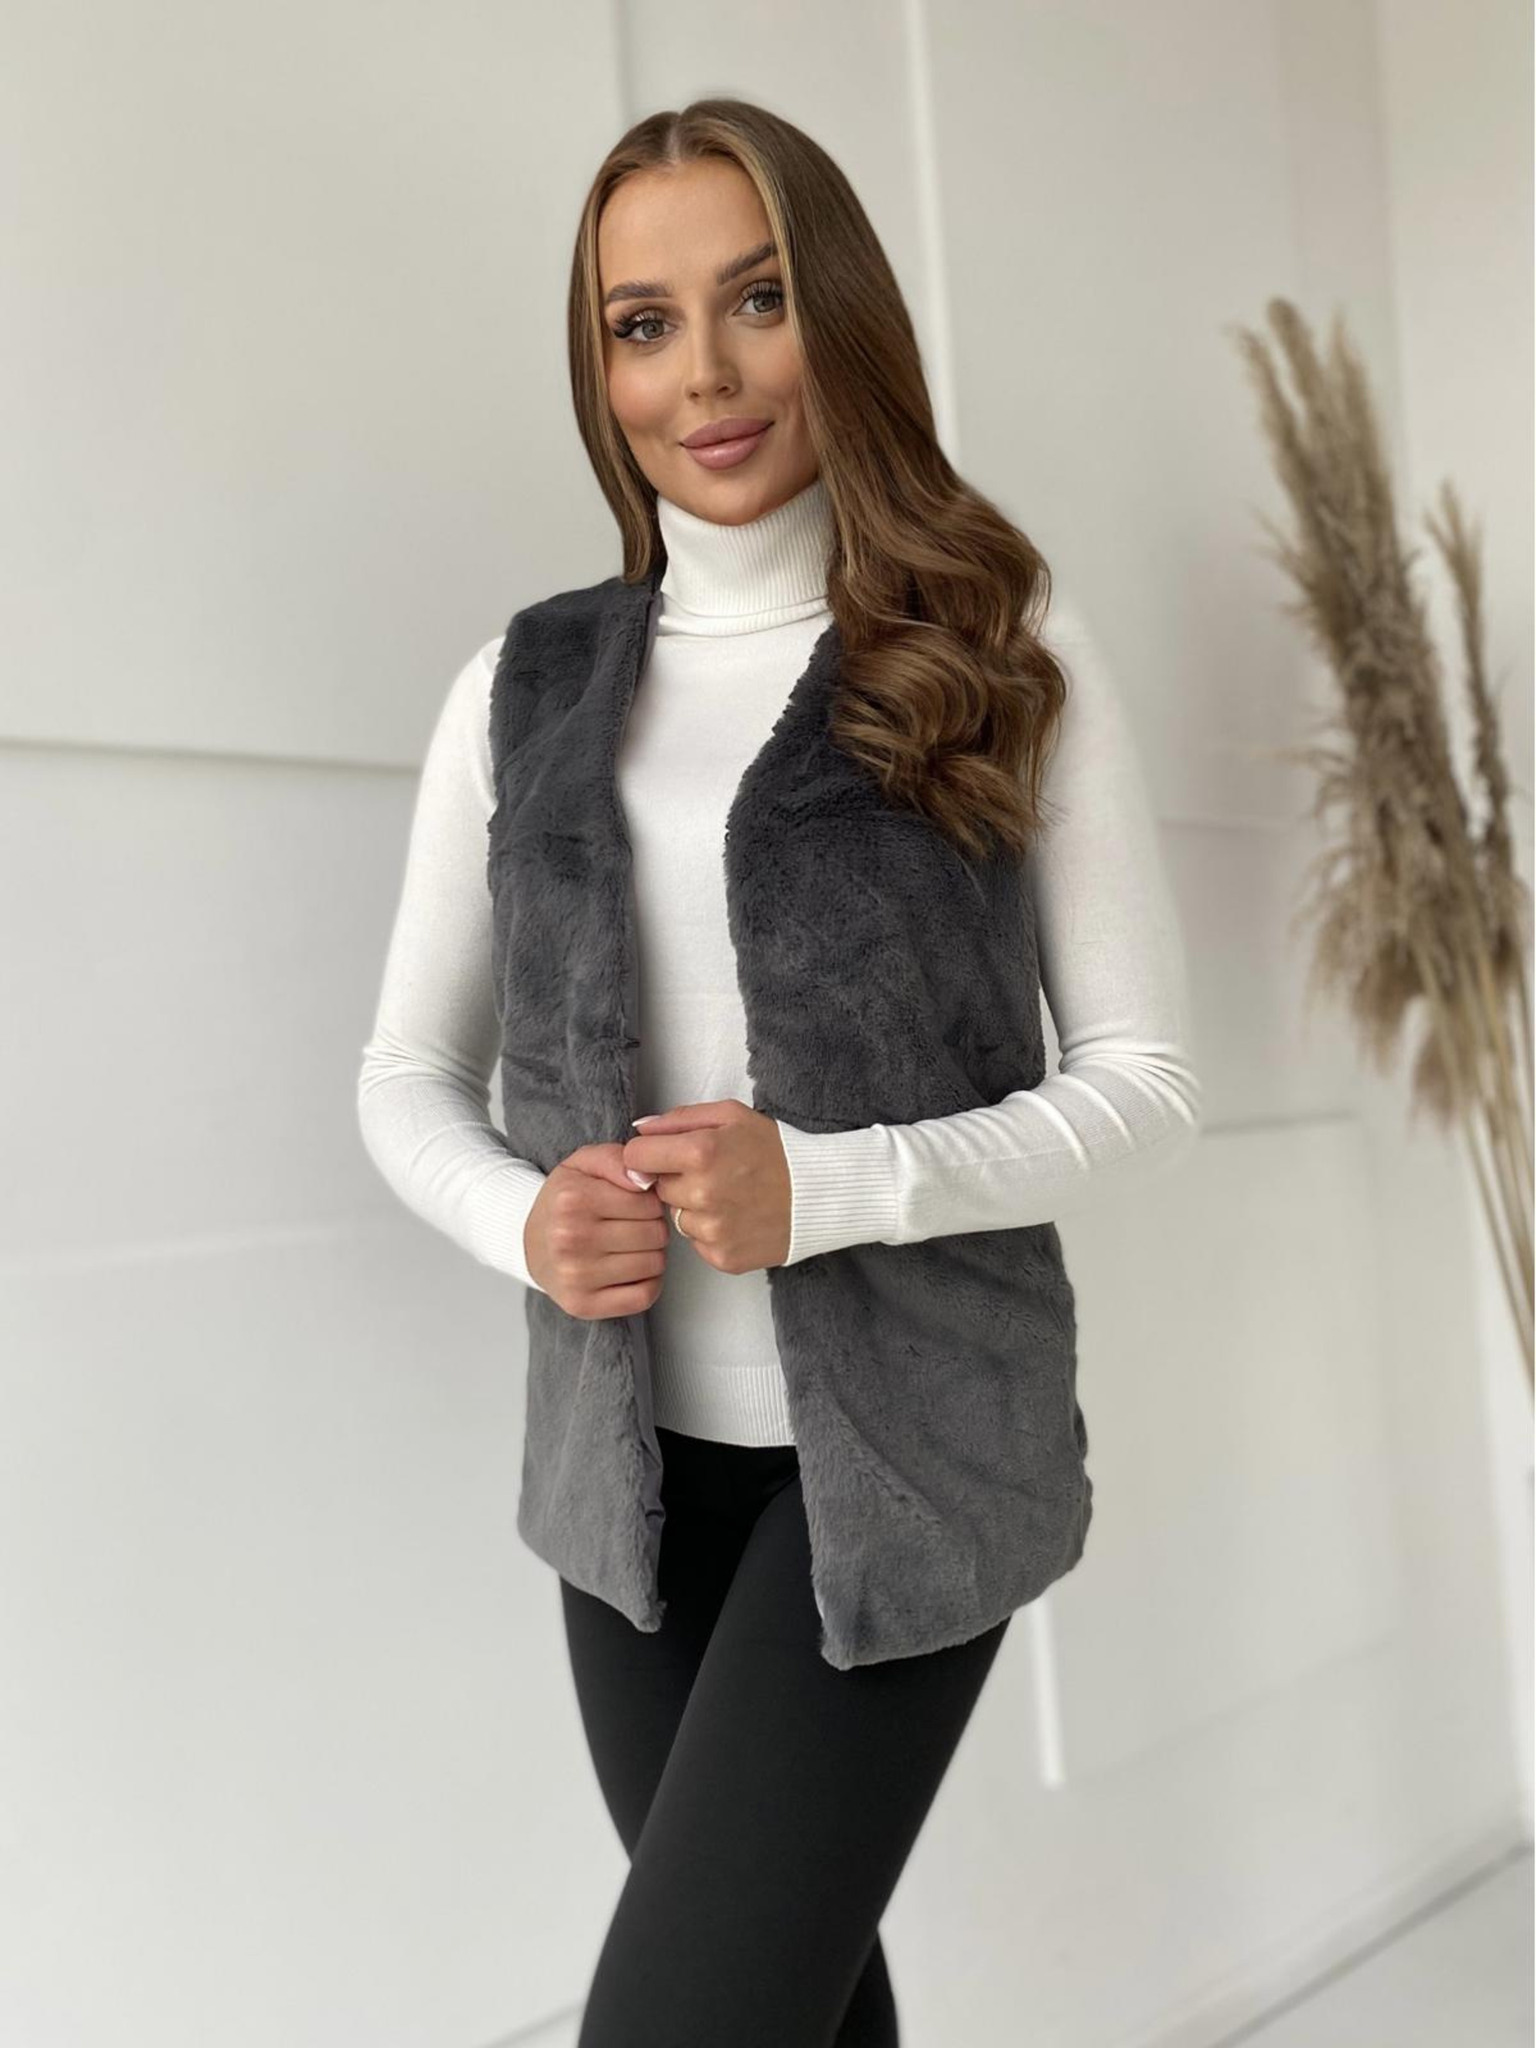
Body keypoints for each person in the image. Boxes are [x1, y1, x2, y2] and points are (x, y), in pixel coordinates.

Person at [358, 97, 1201, 2048]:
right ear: (599, 370)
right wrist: (521, 1219)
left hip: (907, 1465)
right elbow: (406, 1069)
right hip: (627, 1494)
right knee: (797, 2011)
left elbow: (1149, 1082)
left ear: (841, 311)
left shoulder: (999, 644)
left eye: (756, 300)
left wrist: (829, 1186)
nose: (706, 375)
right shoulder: (521, 687)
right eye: (642, 324)